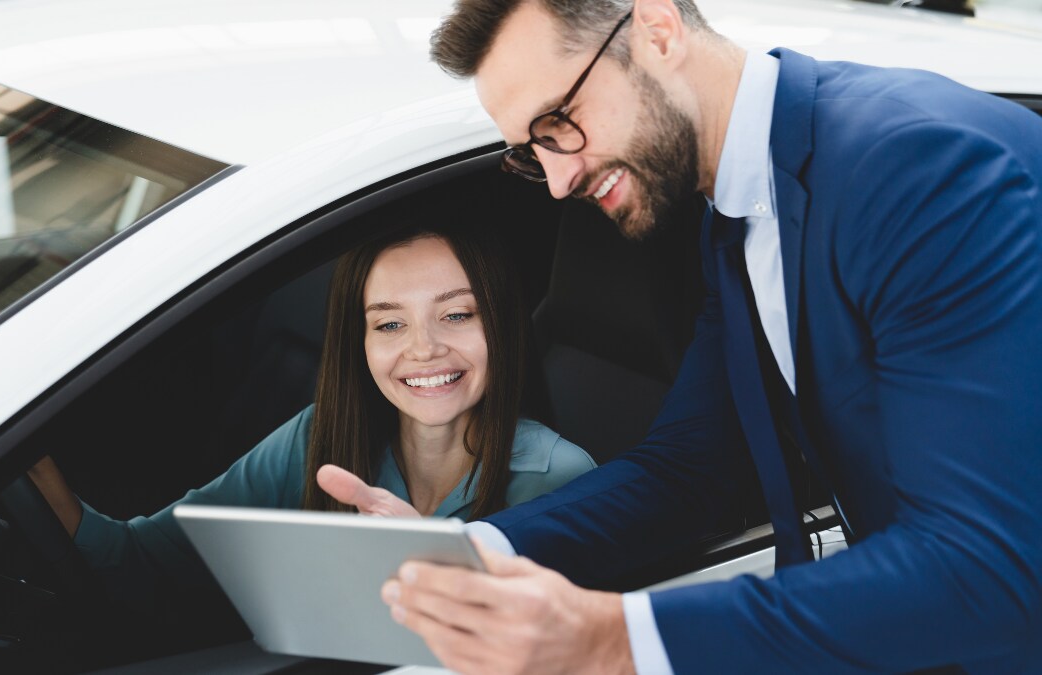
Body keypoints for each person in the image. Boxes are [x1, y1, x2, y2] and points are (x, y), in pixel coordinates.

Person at [323, 0, 1042, 672]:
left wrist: (609, 639)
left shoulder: (919, 171)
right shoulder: (733, 209)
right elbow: (695, 465)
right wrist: (459, 554)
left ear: (658, 30)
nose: (557, 180)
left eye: (558, 124)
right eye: (530, 152)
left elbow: (987, 566)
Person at [28, 225, 595, 618]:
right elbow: (147, 562)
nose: (424, 349)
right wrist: (29, 469)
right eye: (390, 325)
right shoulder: (318, 437)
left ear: (501, 325)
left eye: (456, 315)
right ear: (361, 341)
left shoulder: (560, 477)